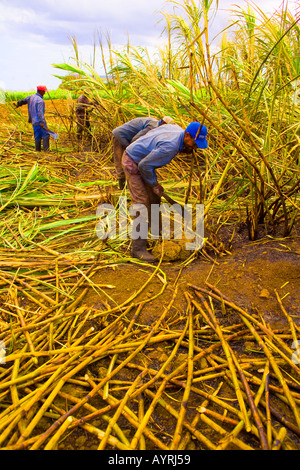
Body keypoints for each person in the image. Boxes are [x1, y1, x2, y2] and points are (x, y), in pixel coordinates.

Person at [122, 121, 208, 262]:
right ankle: (138, 249)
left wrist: (153, 186)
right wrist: (154, 184)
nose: (194, 148)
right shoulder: (171, 146)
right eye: (194, 144)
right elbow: (144, 165)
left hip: (142, 160)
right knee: (141, 203)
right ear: (187, 135)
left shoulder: (177, 130)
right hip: (133, 161)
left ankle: (157, 233)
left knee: (155, 198)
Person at [112, 116, 174, 190]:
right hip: (120, 136)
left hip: (127, 138)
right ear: (163, 123)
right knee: (122, 165)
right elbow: (136, 139)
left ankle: (128, 190)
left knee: (129, 164)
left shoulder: (155, 125)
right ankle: (122, 192)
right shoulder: (153, 126)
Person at [16, 85, 50, 152]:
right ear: (41, 91)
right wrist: (42, 122)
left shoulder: (31, 97)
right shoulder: (40, 101)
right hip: (39, 122)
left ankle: (38, 150)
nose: (45, 93)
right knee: (46, 135)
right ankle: (46, 151)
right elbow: (40, 113)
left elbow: (23, 101)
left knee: (37, 136)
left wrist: (18, 104)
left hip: (34, 121)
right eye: (44, 92)